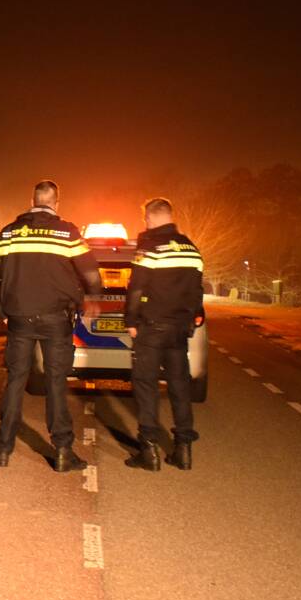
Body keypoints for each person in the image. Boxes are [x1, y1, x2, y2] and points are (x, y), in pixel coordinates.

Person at [0, 180, 102, 471]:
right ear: (56, 203)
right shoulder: (67, 232)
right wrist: (92, 300)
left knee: (15, 381)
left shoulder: (8, 233)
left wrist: (3, 314)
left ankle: (2, 450)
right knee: (56, 382)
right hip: (56, 319)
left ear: (31, 200)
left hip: (19, 319)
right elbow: (91, 274)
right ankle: (62, 452)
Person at [124, 198, 204, 471]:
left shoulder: (150, 247)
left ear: (151, 218)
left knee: (146, 385)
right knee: (179, 387)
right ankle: (183, 450)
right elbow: (197, 291)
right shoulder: (191, 248)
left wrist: (131, 319)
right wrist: (191, 319)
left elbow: (136, 287)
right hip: (179, 329)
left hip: (151, 326)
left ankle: (149, 451)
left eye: (146, 219)